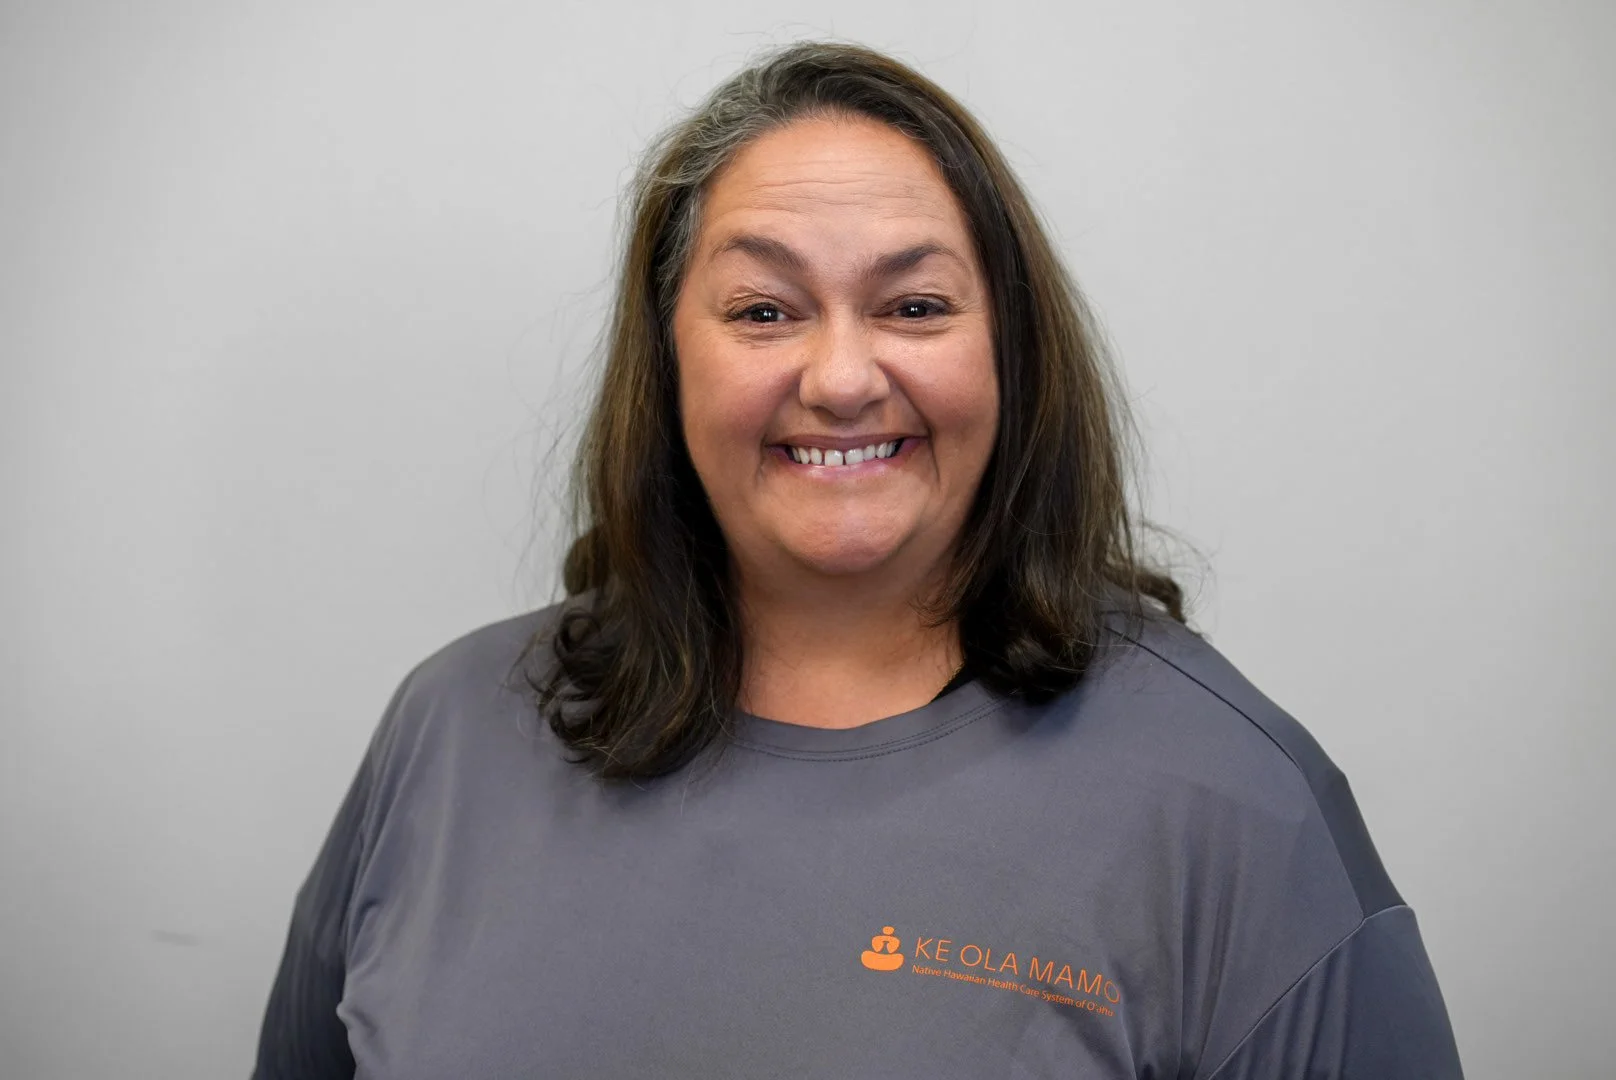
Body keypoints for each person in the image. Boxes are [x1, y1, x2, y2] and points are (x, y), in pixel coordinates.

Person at [252, 40, 1464, 1078]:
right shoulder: (447, 734)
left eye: (914, 307)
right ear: (666, 362)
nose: (838, 379)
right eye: (762, 310)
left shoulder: (1234, 806)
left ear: (1010, 354)